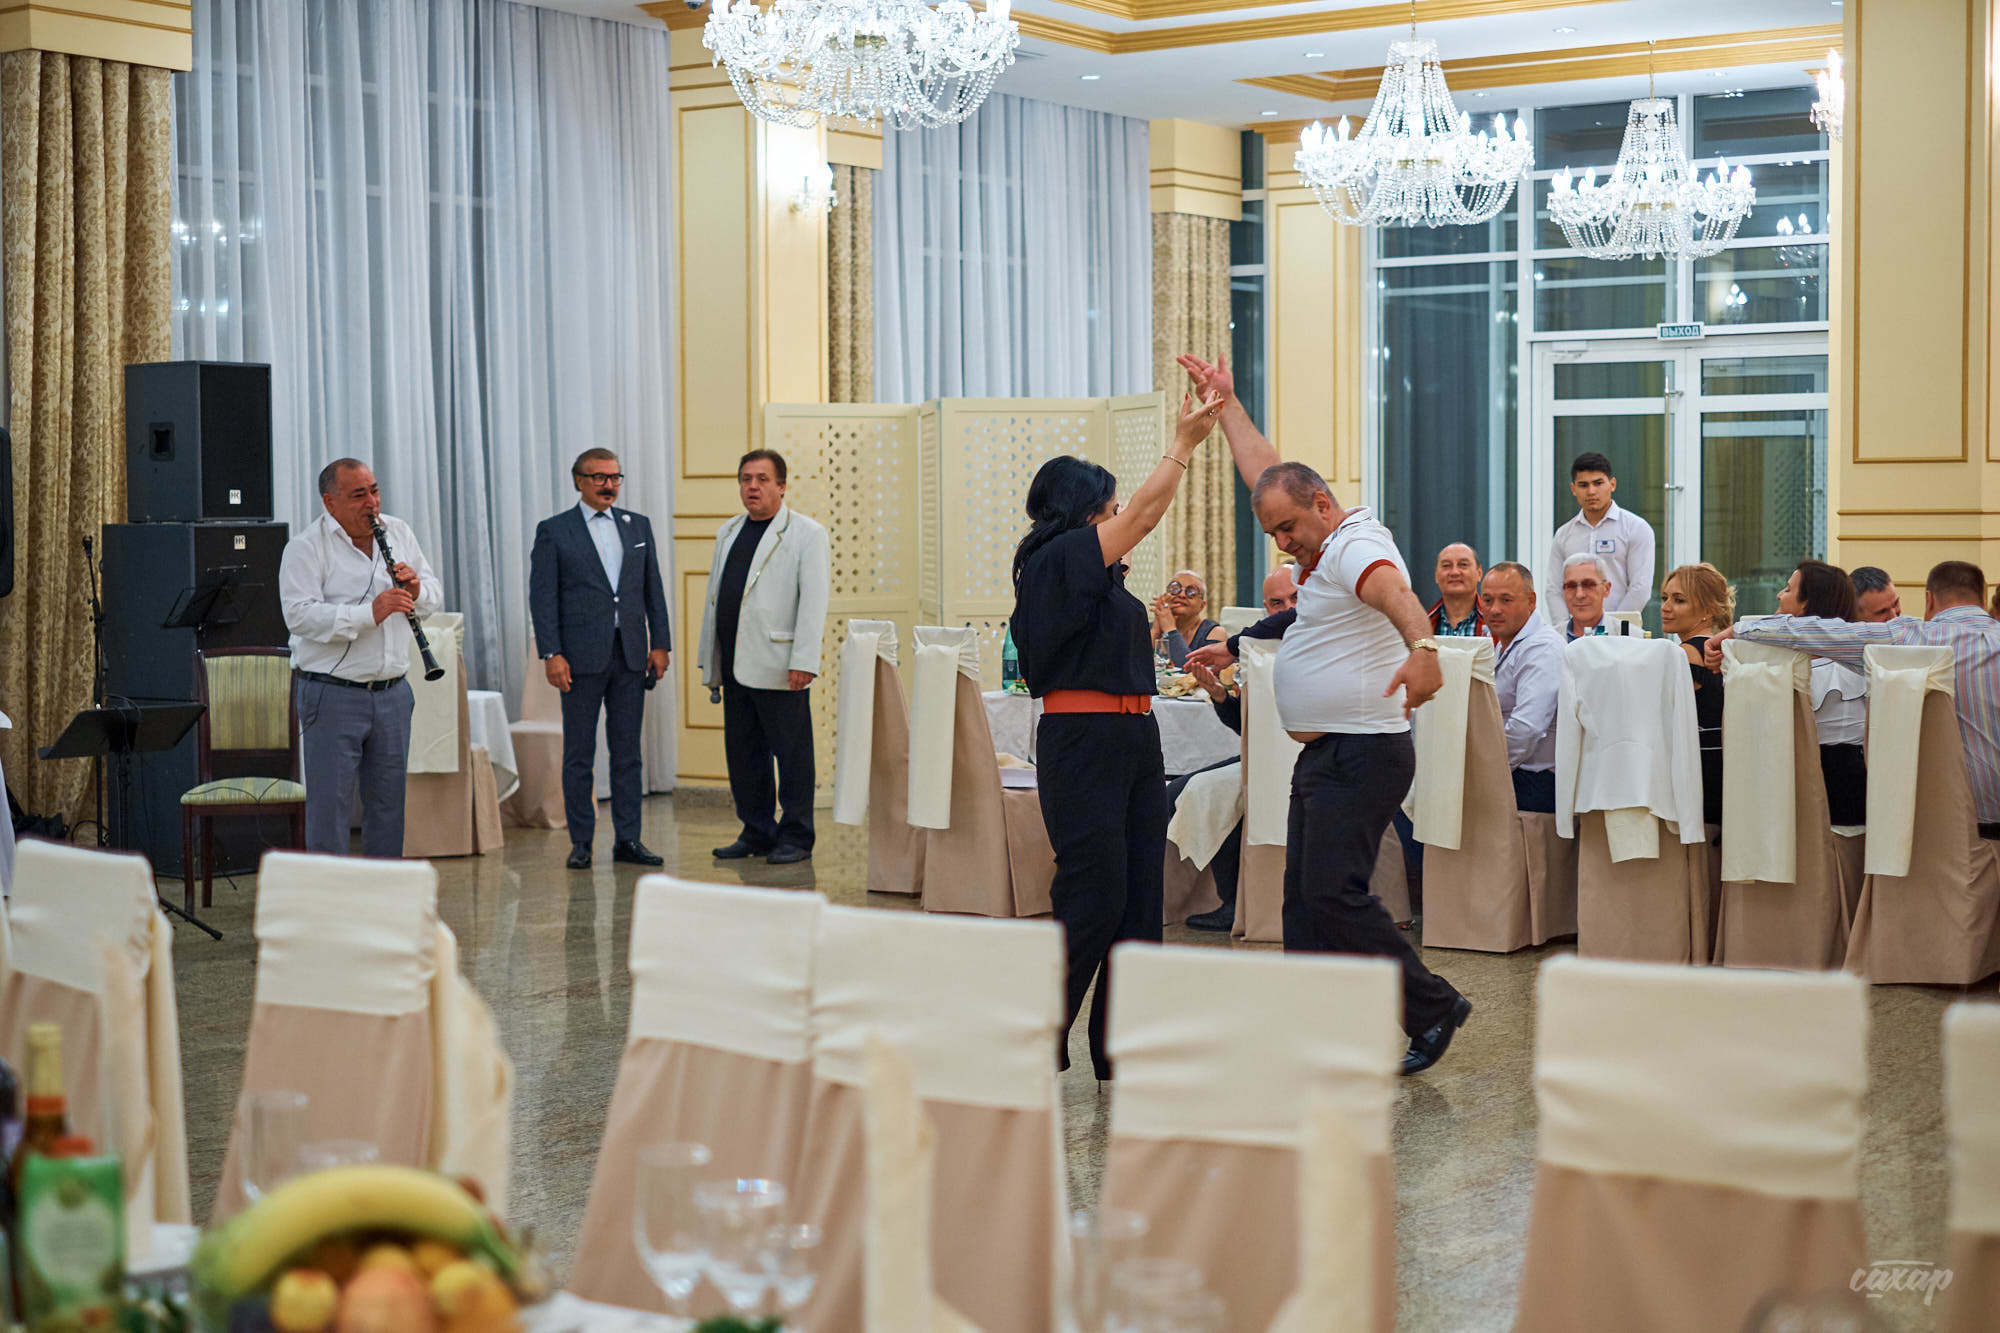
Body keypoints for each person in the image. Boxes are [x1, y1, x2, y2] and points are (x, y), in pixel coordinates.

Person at [1176, 350, 1469, 1076]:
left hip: (1364, 750)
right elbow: (1267, 474)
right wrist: (1228, 405)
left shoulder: (1355, 547)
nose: (1282, 543)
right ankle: (1315, 1023)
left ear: (1322, 506)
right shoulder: (1323, 538)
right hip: (1329, 753)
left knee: (1334, 893)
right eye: (1272, 531)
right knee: (1303, 899)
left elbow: (1395, 594)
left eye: (1286, 529)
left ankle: (1432, 1005)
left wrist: (1424, 646)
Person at [1012, 389, 1227, 1078]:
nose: (1116, 518)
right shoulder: (1055, 559)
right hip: (1083, 740)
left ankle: (1120, 1044)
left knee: (1139, 898)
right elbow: (1144, 512)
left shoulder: (1099, 575)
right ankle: (1036, 1031)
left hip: (1136, 738)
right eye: (1104, 508)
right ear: (1080, 513)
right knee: (1094, 891)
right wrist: (1185, 441)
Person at [1708, 560, 2000, 830]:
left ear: (1929, 599)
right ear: (1983, 594)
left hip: (1950, 825)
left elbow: (1823, 633)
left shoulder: (1911, 639)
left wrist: (1741, 630)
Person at [280, 459, 441, 857]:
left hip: (393, 694)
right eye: (358, 495)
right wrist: (370, 613)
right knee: (329, 810)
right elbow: (298, 615)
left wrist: (417, 590)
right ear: (329, 502)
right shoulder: (305, 547)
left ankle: (382, 901)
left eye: (374, 491)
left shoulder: (398, 531)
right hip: (332, 695)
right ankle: (331, 908)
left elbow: (434, 595)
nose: (371, 502)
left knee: (388, 808)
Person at [529, 449, 672, 870]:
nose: (608, 484)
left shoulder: (637, 526)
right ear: (579, 481)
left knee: (628, 752)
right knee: (579, 754)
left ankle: (628, 840)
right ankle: (582, 842)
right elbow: (543, 597)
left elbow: (653, 591)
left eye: (614, 477)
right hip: (579, 658)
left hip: (630, 655)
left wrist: (659, 643)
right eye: (598, 478)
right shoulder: (554, 531)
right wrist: (551, 653)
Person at [698, 450, 831, 865]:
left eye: (761, 479)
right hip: (735, 664)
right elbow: (715, 600)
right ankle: (756, 830)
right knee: (744, 754)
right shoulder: (728, 532)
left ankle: (796, 836)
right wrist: (710, 657)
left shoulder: (806, 533)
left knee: (791, 755)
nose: (751, 487)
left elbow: (813, 601)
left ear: (781, 485)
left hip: (780, 664)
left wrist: (804, 659)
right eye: (744, 479)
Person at [1177, 563, 1299, 932]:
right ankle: (1217, 898)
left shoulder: (1319, 642)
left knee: (1210, 790)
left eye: (1296, 599)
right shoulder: (1257, 653)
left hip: (1306, 757)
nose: (1289, 610)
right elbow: (1244, 726)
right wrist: (1219, 695)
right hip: (1263, 754)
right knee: (1177, 790)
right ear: (1266, 608)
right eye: (1278, 603)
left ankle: (1236, 902)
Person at [1775, 560, 1867, 827]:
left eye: (1788, 589)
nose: (1780, 594)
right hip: (1853, 790)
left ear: (1806, 604)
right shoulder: (1860, 665)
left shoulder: (1839, 669)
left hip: (1821, 794)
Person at [1478, 562, 1561, 813]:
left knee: (1426, 799)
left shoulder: (1542, 648)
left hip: (1538, 781)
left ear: (1531, 601)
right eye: (1488, 600)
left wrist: (1484, 772)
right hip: (1516, 769)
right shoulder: (1505, 644)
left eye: (1506, 600)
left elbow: (1526, 729)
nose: (1494, 610)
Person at [1660, 563, 1735, 827]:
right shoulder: (1726, 649)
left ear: (1708, 611)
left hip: (1696, 770)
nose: (1666, 606)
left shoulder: (1686, 653)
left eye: (1678, 600)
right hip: (1720, 767)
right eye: (1665, 598)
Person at [1543, 451, 1655, 620]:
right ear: (1573, 489)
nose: (1591, 491)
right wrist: (1566, 630)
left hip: (1620, 634)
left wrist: (1612, 628)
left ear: (1612, 484)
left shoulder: (1636, 528)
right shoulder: (1563, 534)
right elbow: (1554, 589)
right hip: (1575, 635)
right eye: (1583, 485)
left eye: (1598, 483)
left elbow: (1640, 588)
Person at [1150, 570, 1226, 668]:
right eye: (1175, 588)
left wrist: (1170, 630)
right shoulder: (1150, 628)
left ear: (1202, 606)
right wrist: (1156, 630)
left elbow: (1191, 672)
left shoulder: (1214, 632)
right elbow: (1132, 666)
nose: (1182, 595)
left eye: (1191, 592)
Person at [1428, 543, 1486, 637]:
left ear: (1479, 573)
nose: (1454, 572)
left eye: (1463, 564)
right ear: (1436, 576)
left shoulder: (1495, 623)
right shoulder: (1422, 625)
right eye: (1446, 565)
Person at [1560, 553, 1613, 640]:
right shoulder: (1547, 642)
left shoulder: (1634, 639)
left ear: (1606, 589)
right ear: (1563, 591)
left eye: (1588, 585)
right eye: (1571, 586)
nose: (1579, 595)